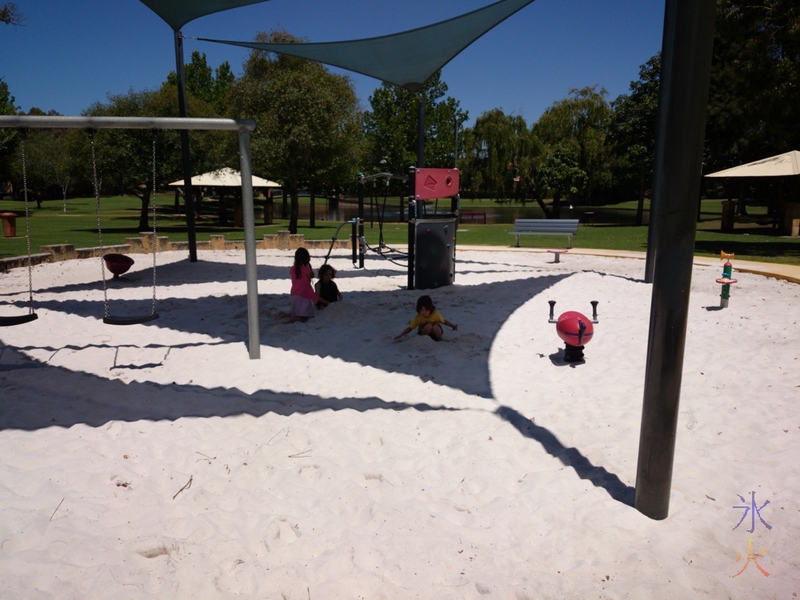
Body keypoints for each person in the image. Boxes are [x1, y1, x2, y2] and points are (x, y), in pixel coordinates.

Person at [286, 247, 318, 323]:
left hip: (295, 293)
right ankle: (294, 319)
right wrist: (315, 298)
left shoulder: (292, 269)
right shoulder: (306, 269)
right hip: (303, 295)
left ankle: (287, 315)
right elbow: (308, 283)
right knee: (304, 317)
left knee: (296, 312)